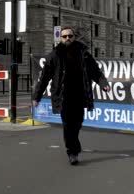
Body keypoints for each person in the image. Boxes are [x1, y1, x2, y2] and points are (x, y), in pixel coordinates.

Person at [32, 26, 110, 166]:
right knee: (67, 125)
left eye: (70, 36)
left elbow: (94, 71)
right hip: (63, 96)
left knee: (78, 122)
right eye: (64, 36)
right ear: (60, 38)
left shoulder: (83, 53)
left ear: (74, 37)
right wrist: (36, 96)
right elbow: (44, 78)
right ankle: (72, 152)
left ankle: (74, 144)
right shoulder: (54, 55)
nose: (67, 38)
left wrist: (103, 83)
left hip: (80, 94)